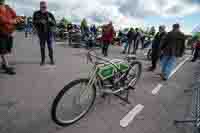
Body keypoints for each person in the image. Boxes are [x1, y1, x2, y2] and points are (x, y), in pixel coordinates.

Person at [0, 0, 23, 75]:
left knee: (7, 49)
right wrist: (11, 21)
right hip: (1, 32)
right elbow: (2, 20)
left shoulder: (7, 7)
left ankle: (4, 64)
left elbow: (15, 15)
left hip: (10, 32)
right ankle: (6, 66)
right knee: (3, 50)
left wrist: (18, 19)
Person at [33, 1, 56, 66]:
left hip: (49, 33)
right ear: (40, 6)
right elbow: (34, 22)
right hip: (41, 33)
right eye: (43, 6)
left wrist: (51, 20)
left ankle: (51, 59)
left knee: (50, 47)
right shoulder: (36, 13)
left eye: (45, 7)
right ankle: (43, 60)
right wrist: (40, 21)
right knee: (42, 47)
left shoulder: (49, 14)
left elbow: (54, 23)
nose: (44, 8)